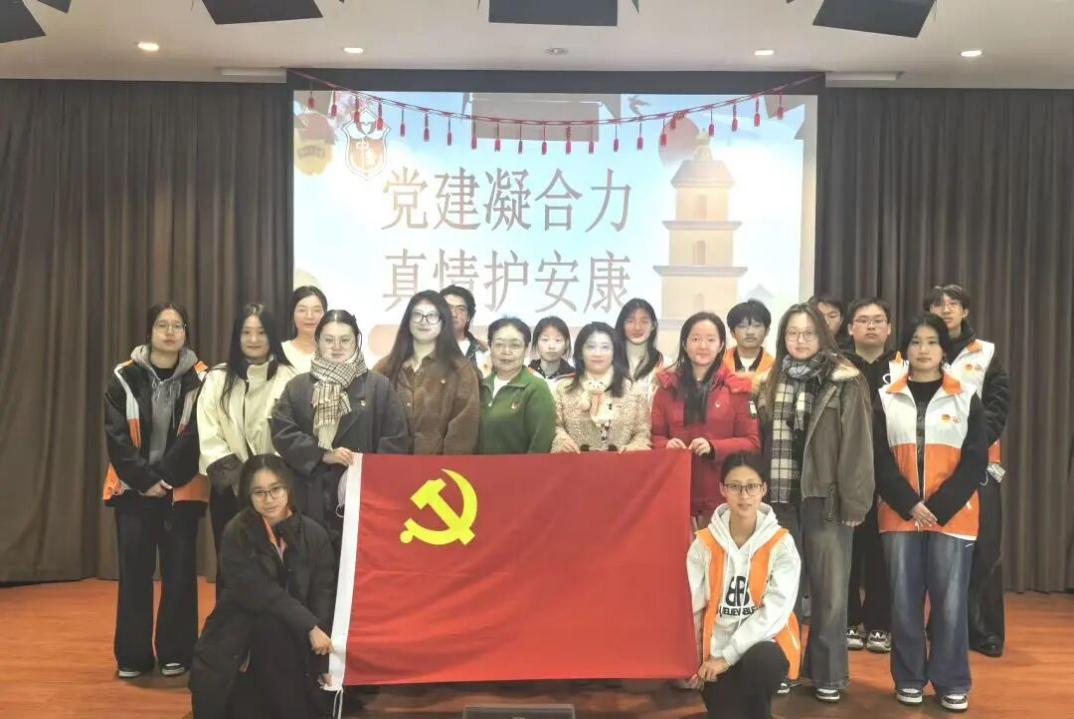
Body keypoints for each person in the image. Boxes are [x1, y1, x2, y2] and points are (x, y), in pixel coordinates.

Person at [754, 302, 874, 703]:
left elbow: (858, 446)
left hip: (828, 501)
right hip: (780, 500)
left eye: (808, 333)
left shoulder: (846, 380)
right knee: (781, 591)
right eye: (792, 333)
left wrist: (855, 503)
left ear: (823, 336)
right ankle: (782, 666)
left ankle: (828, 673)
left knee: (830, 593)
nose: (800, 340)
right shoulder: (770, 379)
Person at [873, 314, 987, 712]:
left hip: (953, 517)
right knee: (904, 601)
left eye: (932, 341)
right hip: (899, 514)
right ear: (906, 349)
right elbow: (879, 458)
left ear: (944, 349)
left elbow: (975, 459)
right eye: (916, 341)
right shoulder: (886, 397)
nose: (923, 349)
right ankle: (908, 678)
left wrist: (936, 508)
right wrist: (910, 504)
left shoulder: (965, 396)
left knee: (950, 603)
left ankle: (952, 680)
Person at [103, 302, 208, 679]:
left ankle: (176, 652)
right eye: (162, 325)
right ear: (149, 331)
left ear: (186, 333)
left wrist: (164, 479)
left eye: (177, 325)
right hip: (133, 492)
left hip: (182, 492)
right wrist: (146, 480)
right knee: (135, 574)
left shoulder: (203, 378)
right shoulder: (124, 376)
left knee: (180, 574)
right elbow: (116, 437)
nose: (169, 332)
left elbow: (197, 435)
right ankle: (132, 656)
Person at [189, 455, 337, 719]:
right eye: (259, 492)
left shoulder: (315, 535)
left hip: (297, 637)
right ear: (249, 495)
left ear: (288, 488)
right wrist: (309, 626)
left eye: (275, 489)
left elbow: (323, 597)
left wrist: (322, 656)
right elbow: (256, 591)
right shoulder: (236, 532)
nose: (269, 499)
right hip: (243, 630)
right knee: (269, 630)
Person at [924, 284, 1010, 658]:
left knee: (984, 548)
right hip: (931, 463)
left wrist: (972, 447)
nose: (946, 309)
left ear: (965, 311)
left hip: (980, 464)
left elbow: (998, 405)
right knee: (937, 548)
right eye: (938, 304)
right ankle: (940, 624)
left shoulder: (985, 353)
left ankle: (983, 628)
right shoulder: (918, 349)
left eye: (953, 303)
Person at [271, 310, 409, 541]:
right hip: (310, 491)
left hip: (364, 492)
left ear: (356, 342)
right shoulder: (298, 386)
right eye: (329, 340)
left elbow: (395, 437)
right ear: (317, 341)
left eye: (345, 340)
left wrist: (366, 469)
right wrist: (321, 454)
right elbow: (282, 431)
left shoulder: (378, 386)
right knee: (313, 554)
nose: (337, 347)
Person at [686, 453, 802, 719]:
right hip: (714, 656)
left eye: (751, 486)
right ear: (722, 489)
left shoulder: (781, 544)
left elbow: (775, 611)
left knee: (762, 662)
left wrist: (727, 657)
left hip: (761, 648)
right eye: (735, 486)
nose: (744, 495)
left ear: (763, 489)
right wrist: (693, 660)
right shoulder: (704, 544)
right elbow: (692, 607)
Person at [198, 303, 296, 560]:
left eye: (261, 332)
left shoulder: (290, 378)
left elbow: (294, 434)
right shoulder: (217, 378)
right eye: (246, 332)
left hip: (276, 492)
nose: (254, 339)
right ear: (237, 336)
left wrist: (268, 480)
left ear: (272, 336)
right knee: (232, 564)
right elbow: (209, 434)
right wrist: (241, 480)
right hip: (230, 490)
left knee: (276, 563)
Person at [651, 312, 761, 523]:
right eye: (695, 339)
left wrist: (714, 447)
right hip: (675, 491)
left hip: (722, 495)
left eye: (711, 340)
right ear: (684, 344)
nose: (703, 346)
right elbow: (654, 436)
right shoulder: (666, 387)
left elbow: (752, 443)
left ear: (721, 345)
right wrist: (665, 445)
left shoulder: (737, 388)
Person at [842, 297, 897, 654]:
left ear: (889, 328)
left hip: (891, 471)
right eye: (863, 320)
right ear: (850, 328)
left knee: (883, 552)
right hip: (848, 470)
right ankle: (849, 620)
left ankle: (879, 624)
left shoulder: (903, 365)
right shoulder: (838, 364)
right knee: (847, 551)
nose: (871, 326)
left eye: (878, 320)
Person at [374, 291, 480, 455]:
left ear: (443, 322)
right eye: (417, 315)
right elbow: (372, 421)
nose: (424, 321)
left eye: (432, 316)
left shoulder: (460, 370)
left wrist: (446, 467)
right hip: (390, 465)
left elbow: (463, 430)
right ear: (408, 320)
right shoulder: (385, 367)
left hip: (440, 468)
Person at [552, 321, 650, 453]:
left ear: (614, 352)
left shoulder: (633, 390)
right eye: (591, 347)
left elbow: (642, 432)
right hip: (575, 463)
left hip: (622, 463)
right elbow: (555, 426)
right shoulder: (563, 389)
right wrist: (562, 441)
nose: (597, 353)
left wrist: (635, 447)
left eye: (605, 347)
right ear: (580, 353)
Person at [478, 317, 556, 454]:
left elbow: (540, 445)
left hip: (520, 468)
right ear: (490, 346)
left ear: (526, 349)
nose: (506, 351)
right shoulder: (480, 386)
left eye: (515, 345)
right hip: (474, 467)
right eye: (499, 344)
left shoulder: (536, 388)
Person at [615, 298, 664, 405]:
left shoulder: (665, 364)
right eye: (630, 321)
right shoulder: (610, 361)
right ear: (622, 325)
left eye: (644, 321)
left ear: (653, 325)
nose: (637, 327)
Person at [440, 285, 490, 375]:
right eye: (448, 308)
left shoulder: (484, 351)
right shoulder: (425, 347)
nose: (453, 314)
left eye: (461, 309)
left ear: (468, 317)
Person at [281, 286, 327, 374]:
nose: (309, 316)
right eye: (302, 310)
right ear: (292, 315)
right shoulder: (280, 352)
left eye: (316, 310)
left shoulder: (333, 353)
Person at [723, 299, 775, 377]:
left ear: (767, 331)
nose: (750, 332)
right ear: (732, 333)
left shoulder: (774, 367)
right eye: (742, 326)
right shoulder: (719, 363)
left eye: (756, 326)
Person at [528, 315, 575, 385]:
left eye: (558, 340)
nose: (551, 346)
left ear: (567, 344)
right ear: (536, 342)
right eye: (545, 339)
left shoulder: (574, 377)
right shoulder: (526, 374)